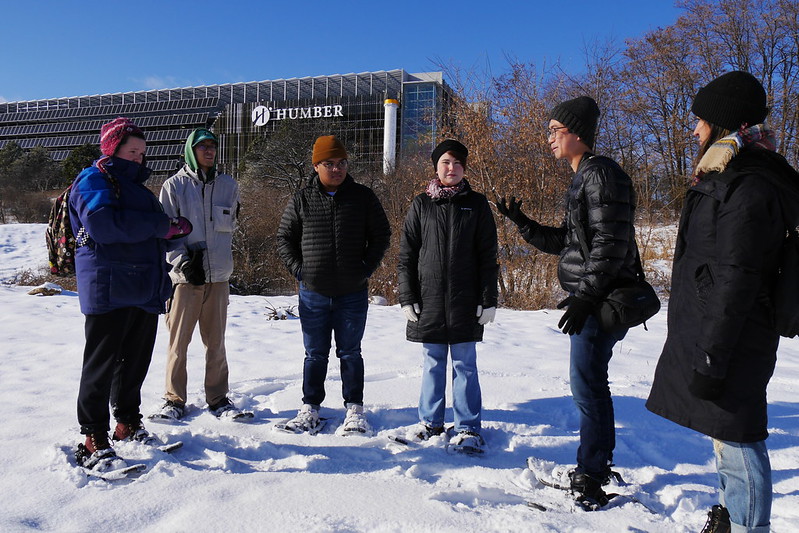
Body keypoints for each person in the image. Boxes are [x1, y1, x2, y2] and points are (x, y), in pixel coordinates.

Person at [647, 71, 798, 533]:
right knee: (724, 436)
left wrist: (713, 353)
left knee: (739, 439)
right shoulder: (731, 174)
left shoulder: (748, 185)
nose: (694, 130)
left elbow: (738, 275)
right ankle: (732, 517)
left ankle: (751, 526)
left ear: (723, 124)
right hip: (724, 330)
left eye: (701, 120)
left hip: (735, 335)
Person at [496, 96, 638, 505]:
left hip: (599, 299)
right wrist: (523, 224)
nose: (549, 139)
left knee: (588, 385)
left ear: (578, 133)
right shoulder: (586, 176)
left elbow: (612, 243)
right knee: (591, 383)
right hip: (592, 296)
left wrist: (585, 297)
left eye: (555, 131)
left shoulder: (600, 174)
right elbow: (570, 243)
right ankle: (596, 463)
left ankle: (591, 475)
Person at [69, 117, 192, 472]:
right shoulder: (93, 179)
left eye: (142, 152)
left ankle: (127, 423)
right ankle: (93, 436)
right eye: (131, 151)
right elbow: (103, 226)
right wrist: (160, 225)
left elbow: (149, 233)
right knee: (101, 364)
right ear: (112, 149)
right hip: (109, 287)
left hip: (142, 286)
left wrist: (174, 232)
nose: (139, 157)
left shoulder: (137, 188)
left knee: (134, 362)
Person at [276, 135, 391, 434]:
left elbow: (381, 234)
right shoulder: (302, 199)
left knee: (351, 353)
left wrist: (366, 268)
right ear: (316, 166)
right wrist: (301, 271)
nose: (337, 169)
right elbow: (284, 239)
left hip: (352, 293)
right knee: (314, 354)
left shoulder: (363, 197)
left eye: (342, 163)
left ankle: (354, 409)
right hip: (313, 292)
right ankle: (310, 408)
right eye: (329, 163)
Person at [398, 139, 498, 452]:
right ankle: (430, 422)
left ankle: (468, 428)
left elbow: (487, 254)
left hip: (466, 301)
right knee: (432, 363)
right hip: (428, 299)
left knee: (465, 365)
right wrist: (406, 294)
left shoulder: (477, 204)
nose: (451, 168)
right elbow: (407, 254)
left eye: (456, 163)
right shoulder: (421, 204)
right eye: (445, 162)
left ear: (464, 168)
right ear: (436, 166)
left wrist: (488, 298)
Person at [154, 128, 244, 420]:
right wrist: (182, 262)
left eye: (212, 146)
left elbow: (230, 226)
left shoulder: (229, 185)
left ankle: (218, 398)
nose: (208, 151)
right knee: (178, 343)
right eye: (202, 146)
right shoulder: (174, 186)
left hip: (218, 278)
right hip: (184, 280)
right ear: (190, 150)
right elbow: (165, 232)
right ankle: (173, 400)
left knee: (216, 343)